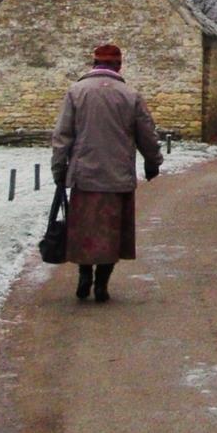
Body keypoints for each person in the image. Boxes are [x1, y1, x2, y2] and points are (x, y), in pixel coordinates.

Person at [50, 43, 163, 302]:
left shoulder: (76, 92)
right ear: (119, 65)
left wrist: (59, 169)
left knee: (85, 231)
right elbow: (147, 133)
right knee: (112, 233)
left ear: (94, 64)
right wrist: (152, 161)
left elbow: (62, 135)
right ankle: (102, 283)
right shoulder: (130, 95)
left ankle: (84, 274)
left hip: (85, 177)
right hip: (117, 178)